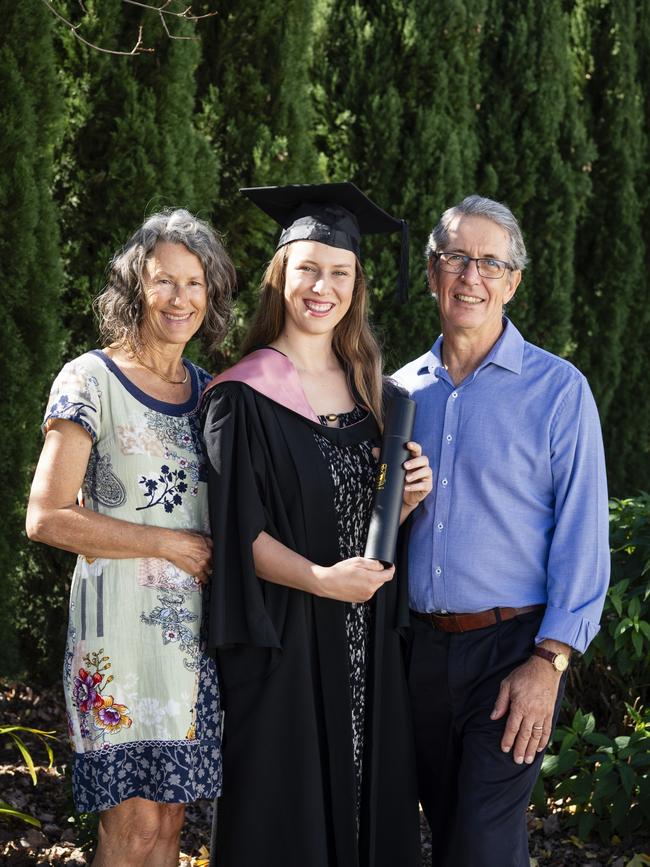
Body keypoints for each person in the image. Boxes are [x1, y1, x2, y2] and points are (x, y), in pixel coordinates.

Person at [201, 182, 432, 867]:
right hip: (288, 645)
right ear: (280, 275)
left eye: (340, 272)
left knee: (370, 807)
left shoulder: (378, 397)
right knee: (286, 820)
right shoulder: (240, 395)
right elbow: (236, 534)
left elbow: (368, 521)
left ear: (357, 286)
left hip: (369, 647)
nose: (322, 286)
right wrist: (323, 580)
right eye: (308, 268)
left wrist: (407, 502)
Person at [393, 195, 610, 867]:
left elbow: (582, 535)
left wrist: (549, 662)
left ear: (513, 281)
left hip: (515, 652)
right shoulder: (397, 393)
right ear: (432, 273)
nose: (471, 276)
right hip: (420, 654)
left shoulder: (558, 391)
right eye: (456, 258)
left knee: (483, 844)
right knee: (452, 830)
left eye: (490, 262)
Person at [26, 209, 236, 867]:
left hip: (191, 646)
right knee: (134, 828)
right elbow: (48, 515)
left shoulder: (210, 394)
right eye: (164, 281)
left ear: (213, 294)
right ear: (134, 290)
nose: (181, 298)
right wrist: (167, 543)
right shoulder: (89, 381)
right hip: (117, 641)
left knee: (171, 828)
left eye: (195, 283)